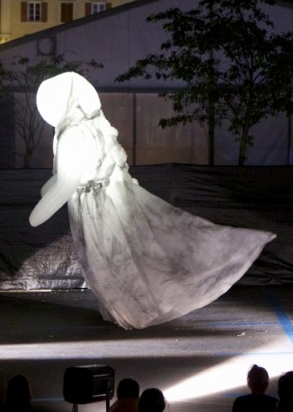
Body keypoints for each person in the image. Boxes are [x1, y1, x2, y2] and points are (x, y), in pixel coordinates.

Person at [29, 71, 276, 329]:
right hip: (109, 198)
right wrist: (49, 191)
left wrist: (38, 212)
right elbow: (69, 177)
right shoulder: (93, 125)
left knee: (105, 259)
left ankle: (128, 310)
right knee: (116, 258)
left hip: (96, 205)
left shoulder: (72, 134)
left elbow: (67, 182)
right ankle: (120, 309)